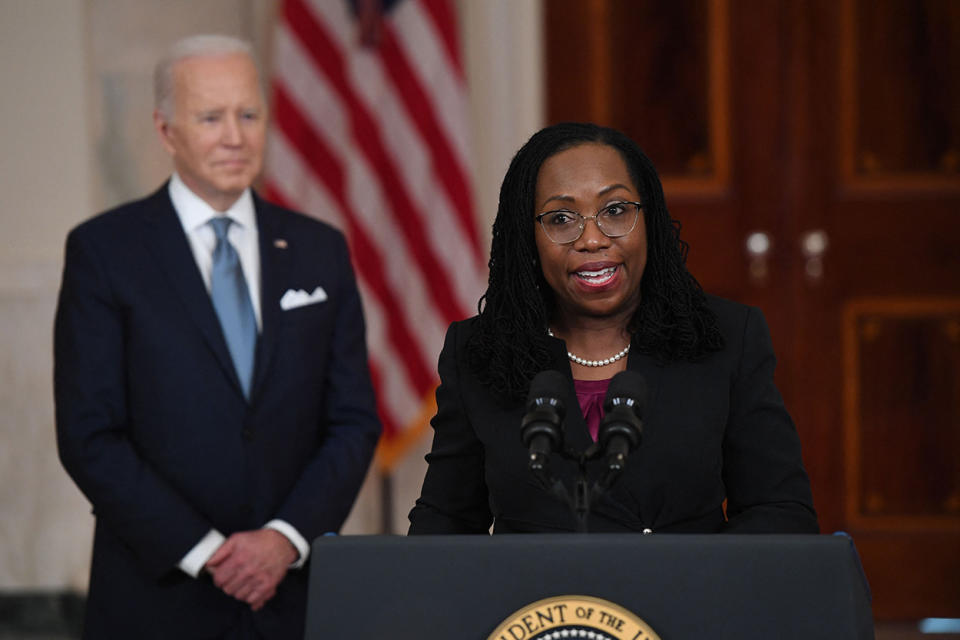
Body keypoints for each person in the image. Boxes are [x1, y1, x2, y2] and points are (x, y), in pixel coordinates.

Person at [54, 35, 381, 639]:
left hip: (293, 603)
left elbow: (353, 420)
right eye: (210, 117)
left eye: (248, 114)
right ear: (165, 129)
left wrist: (282, 541)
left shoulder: (319, 249)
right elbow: (88, 434)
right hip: (157, 600)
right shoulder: (105, 253)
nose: (235, 136)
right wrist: (209, 552)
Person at [408, 122, 818, 535]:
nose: (591, 239)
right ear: (527, 237)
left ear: (649, 220)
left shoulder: (726, 338)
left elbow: (781, 512)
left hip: (683, 596)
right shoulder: (480, 352)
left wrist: (700, 584)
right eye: (562, 218)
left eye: (615, 210)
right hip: (536, 599)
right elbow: (445, 523)